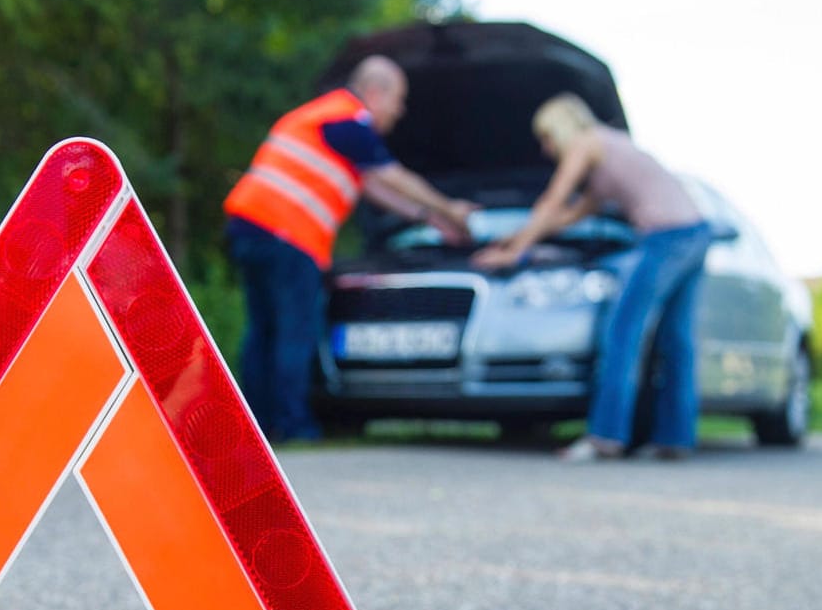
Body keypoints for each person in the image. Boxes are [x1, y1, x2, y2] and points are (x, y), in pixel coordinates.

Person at [224, 55, 478, 441]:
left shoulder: (325, 118)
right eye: (399, 99)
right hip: (286, 234)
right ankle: (292, 426)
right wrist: (451, 209)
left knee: (264, 331)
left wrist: (431, 219)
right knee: (295, 330)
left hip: (250, 227)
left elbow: (372, 187)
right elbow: (391, 175)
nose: (401, 110)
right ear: (375, 93)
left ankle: (254, 425)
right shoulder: (349, 118)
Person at [473, 93, 721, 461]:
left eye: (546, 137)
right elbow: (569, 216)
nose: (545, 148)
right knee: (676, 341)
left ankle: (606, 436)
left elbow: (552, 201)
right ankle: (675, 439)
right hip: (696, 232)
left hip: (666, 239)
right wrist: (512, 239)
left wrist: (514, 253)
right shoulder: (609, 154)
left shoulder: (587, 143)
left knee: (623, 331)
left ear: (561, 127)